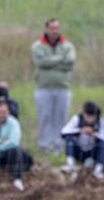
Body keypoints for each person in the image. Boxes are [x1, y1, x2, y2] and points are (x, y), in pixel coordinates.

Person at [31, 18, 76, 152]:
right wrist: (59, 59)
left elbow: (70, 62)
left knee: (61, 117)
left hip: (63, 87)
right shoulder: (37, 46)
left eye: (57, 28)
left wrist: (51, 62)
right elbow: (41, 63)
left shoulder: (67, 46)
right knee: (45, 117)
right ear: (46, 29)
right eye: (52, 28)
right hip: (44, 88)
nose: (54, 31)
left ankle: (59, 146)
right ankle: (45, 145)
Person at [61, 101, 104, 179]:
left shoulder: (100, 121)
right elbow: (64, 132)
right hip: (78, 150)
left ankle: (98, 170)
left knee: (102, 144)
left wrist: (95, 135)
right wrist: (80, 131)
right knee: (69, 139)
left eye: (92, 117)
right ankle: (70, 165)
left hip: (92, 151)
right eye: (87, 116)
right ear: (83, 113)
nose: (90, 119)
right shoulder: (76, 119)